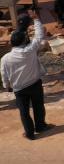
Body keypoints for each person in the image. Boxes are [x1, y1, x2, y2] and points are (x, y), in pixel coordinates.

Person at [1, 9, 51, 140]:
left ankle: (29, 133)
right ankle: (40, 126)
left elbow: (4, 74)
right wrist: (36, 19)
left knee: (24, 112)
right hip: (34, 84)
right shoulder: (30, 50)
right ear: (24, 41)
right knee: (38, 106)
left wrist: (7, 85)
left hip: (19, 89)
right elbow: (40, 36)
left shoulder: (5, 58)